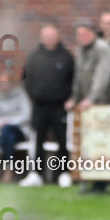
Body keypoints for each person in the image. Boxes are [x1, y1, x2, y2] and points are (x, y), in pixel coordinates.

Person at [66, 19, 110, 194]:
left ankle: (104, 184)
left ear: (93, 34)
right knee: (91, 145)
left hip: (104, 105)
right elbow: (78, 78)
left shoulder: (102, 49)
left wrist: (91, 98)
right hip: (89, 108)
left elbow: (102, 76)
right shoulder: (81, 50)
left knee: (104, 145)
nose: (82, 37)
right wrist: (75, 98)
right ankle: (93, 181)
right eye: (79, 34)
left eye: (86, 33)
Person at [21, 24, 75, 187]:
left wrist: (70, 97)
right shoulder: (34, 56)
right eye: (46, 36)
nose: (48, 39)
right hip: (40, 105)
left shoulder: (66, 57)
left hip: (60, 106)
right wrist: (33, 95)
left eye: (51, 36)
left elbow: (73, 80)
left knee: (62, 139)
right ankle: (36, 174)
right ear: (41, 37)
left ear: (57, 37)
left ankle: (64, 173)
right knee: (38, 140)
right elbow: (26, 78)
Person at [0, 69, 31, 183]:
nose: (4, 85)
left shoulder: (21, 94)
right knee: (8, 134)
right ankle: (8, 169)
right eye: (2, 82)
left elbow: (26, 114)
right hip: (2, 131)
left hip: (19, 129)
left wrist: (9, 121)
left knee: (9, 129)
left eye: (6, 82)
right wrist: (0, 122)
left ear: (12, 83)